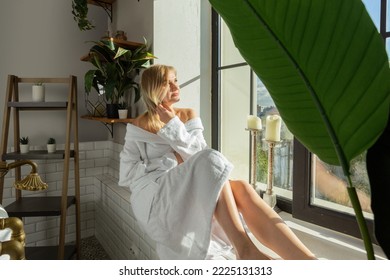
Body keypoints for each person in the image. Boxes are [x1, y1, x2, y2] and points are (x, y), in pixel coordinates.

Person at [119, 64, 316, 260]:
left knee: (242, 188)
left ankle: (306, 261)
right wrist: (172, 160)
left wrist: (174, 126)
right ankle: (244, 248)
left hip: (187, 182)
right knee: (209, 160)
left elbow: (204, 161)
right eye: (166, 83)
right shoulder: (138, 125)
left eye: (175, 80)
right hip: (154, 194)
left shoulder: (187, 115)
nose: (175, 87)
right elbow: (127, 174)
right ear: (153, 88)